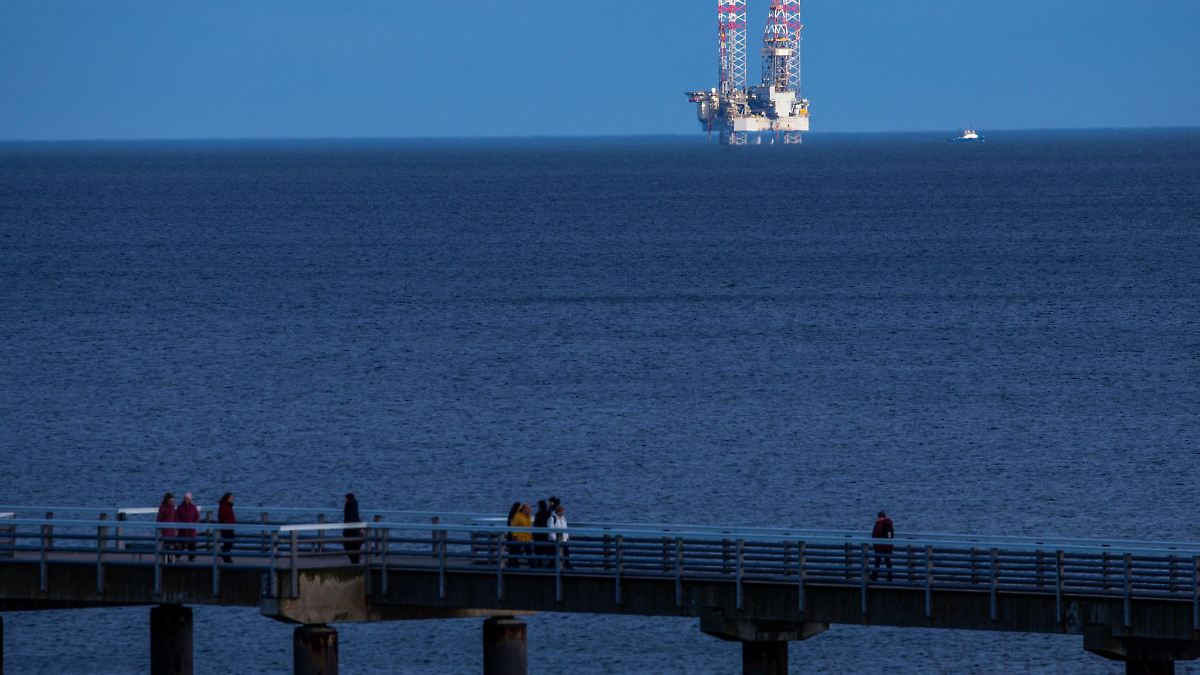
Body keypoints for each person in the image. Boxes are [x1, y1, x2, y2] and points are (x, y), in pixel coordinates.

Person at [176, 492, 201, 561]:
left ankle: (192, 558)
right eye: (185, 499)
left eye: (188, 499)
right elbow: (177, 517)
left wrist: (194, 523)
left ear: (190, 499)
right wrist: (179, 525)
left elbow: (197, 516)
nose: (186, 500)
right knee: (181, 545)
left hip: (191, 530)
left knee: (192, 545)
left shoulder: (193, 507)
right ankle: (177, 557)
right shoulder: (180, 507)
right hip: (182, 530)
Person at [871, 510, 895, 581]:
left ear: (879, 516)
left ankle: (874, 577)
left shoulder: (878, 523)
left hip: (878, 546)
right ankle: (890, 577)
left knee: (877, 561)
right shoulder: (889, 523)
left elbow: (874, 535)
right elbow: (890, 534)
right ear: (885, 516)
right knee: (888, 562)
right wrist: (889, 542)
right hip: (886, 546)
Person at [156, 492, 178, 563]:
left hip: (172, 529)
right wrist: (159, 528)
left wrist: (176, 528)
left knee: (173, 545)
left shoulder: (172, 507)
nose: (171, 502)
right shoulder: (163, 507)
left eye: (172, 501)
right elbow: (159, 518)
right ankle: (165, 560)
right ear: (167, 500)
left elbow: (175, 517)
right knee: (166, 545)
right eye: (170, 501)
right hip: (165, 530)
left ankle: (172, 559)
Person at [510, 503, 533, 567]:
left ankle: (533, 566)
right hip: (519, 538)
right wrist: (515, 536)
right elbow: (513, 526)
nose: (529, 510)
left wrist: (531, 535)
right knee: (516, 552)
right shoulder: (518, 516)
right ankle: (514, 566)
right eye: (528, 508)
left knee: (529, 552)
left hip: (527, 538)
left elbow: (529, 526)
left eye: (529, 508)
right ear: (523, 509)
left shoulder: (528, 516)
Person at [343, 493, 364, 564]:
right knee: (355, 546)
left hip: (351, 531)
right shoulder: (354, 505)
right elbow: (356, 516)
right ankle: (356, 561)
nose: (344, 500)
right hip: (355, 530)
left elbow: (350, 517)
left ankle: (354, 561)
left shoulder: (349, 506)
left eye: (346, 498)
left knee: (349, 546)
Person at [548, 503, 571, 569]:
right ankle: (552, 568)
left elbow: (565, 528)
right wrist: (555, 539)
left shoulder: (563, 518)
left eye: (563, 511)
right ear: (558, 511)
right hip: (555, 541)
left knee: (566, 554)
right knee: (554, 556)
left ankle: (568, 566)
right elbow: (551, 530)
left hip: (563, 540)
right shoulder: (552, 518)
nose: (563, 512)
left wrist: (567, 537)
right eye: (562, 511)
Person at [217, 492, 236, 564]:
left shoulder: (229, 506)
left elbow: (231, 515)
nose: (232, 499)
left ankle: (225, 556)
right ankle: (226, 557)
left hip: (230, 526)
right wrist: (226, 524)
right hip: (226, 527)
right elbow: (222, 517)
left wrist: (233, 522)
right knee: (228, 542)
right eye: (231, 498)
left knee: (230, 542)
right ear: (227, 498)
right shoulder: (223, 506)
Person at [532, 500, 551, 568]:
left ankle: (539, 563)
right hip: (545, 535)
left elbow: (537, 524)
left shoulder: (539, 513)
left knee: (538, 550)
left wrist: (534, 533)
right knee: (546, 550)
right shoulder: (548, 513)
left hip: (539, 535)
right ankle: (547, 563)